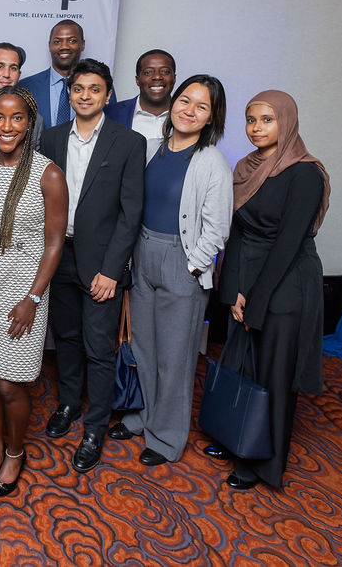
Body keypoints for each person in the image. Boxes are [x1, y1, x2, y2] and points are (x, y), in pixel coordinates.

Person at [108, 74, 233, 467]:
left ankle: (166, 438)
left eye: (201, 106)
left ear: (212, 118)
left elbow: (217, 228)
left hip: (183, 263)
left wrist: (193, 265)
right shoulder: (150, 149)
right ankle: (145, 416)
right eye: (185, 100)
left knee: (175, 357)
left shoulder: (212, 162)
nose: (189, 110)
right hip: (143, 253)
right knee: (144, 346)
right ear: (173, 102)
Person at [210, 90, 330, 490]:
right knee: (245, 365)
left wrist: (257, 299)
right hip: (249, 277)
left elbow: (288, 245)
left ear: (287, 122)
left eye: (266, 120)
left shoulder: (305, 173)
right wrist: (235, 291)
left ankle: (266, 462)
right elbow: (238, 234)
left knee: (275, 375)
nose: (256, 128)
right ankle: (239, 435)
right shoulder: (247, 167)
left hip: (287, 284)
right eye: (250, 119)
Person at [0, 86, 67, 496]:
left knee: (11, 382)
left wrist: (34, 299)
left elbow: (55, 243)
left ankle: (16, 452)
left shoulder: (48, 173)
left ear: (29, 123)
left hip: (24, 288)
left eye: (16, 118)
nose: (7, 126)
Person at [38, 59, 145, 473]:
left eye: (94, 89)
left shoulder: (128, 142)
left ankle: (96, 426)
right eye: (78, 88)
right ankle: (67, 404)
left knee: (99, 348)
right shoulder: (50, 138)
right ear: (70, 94)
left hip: (102, 265)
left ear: (107, 94)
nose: (85, 95)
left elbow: (130, 214)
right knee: (65, 338)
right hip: (58, 257)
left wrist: (112, 270)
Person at [107, 49, 176, 146]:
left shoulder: (189, 115)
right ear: (137, 80)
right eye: (148, 72)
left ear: (174, 78)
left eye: (165, 71)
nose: (157, 77)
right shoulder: (110, 114)